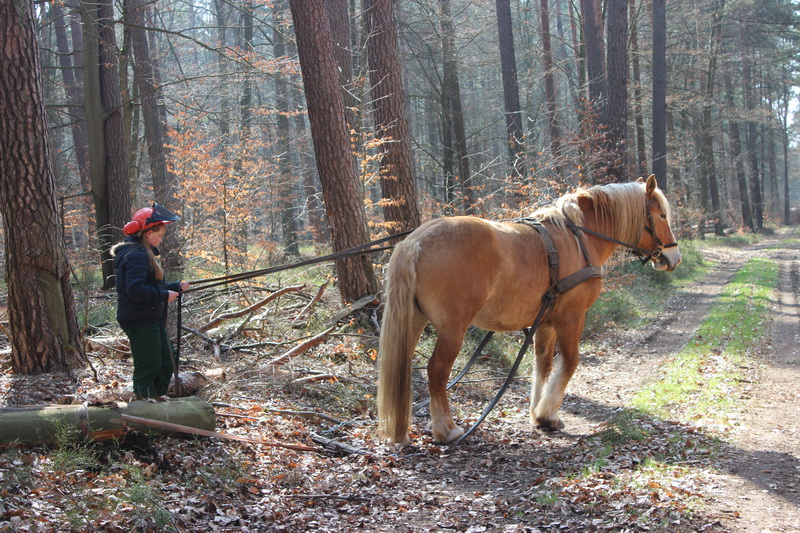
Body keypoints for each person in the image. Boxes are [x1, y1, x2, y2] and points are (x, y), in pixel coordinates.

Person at [112, 203, 190, 400]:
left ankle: (158, 397)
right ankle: (144, 402)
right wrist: (164, 295)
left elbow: (149, 285)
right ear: (148, 234)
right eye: (160, 235)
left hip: (151, 318)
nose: (161, 240)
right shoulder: (136, 255)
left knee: (166, 361)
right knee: (149, 363)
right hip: (139, 319)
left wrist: (174, 287)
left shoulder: (142, 253)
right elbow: (135, 290)